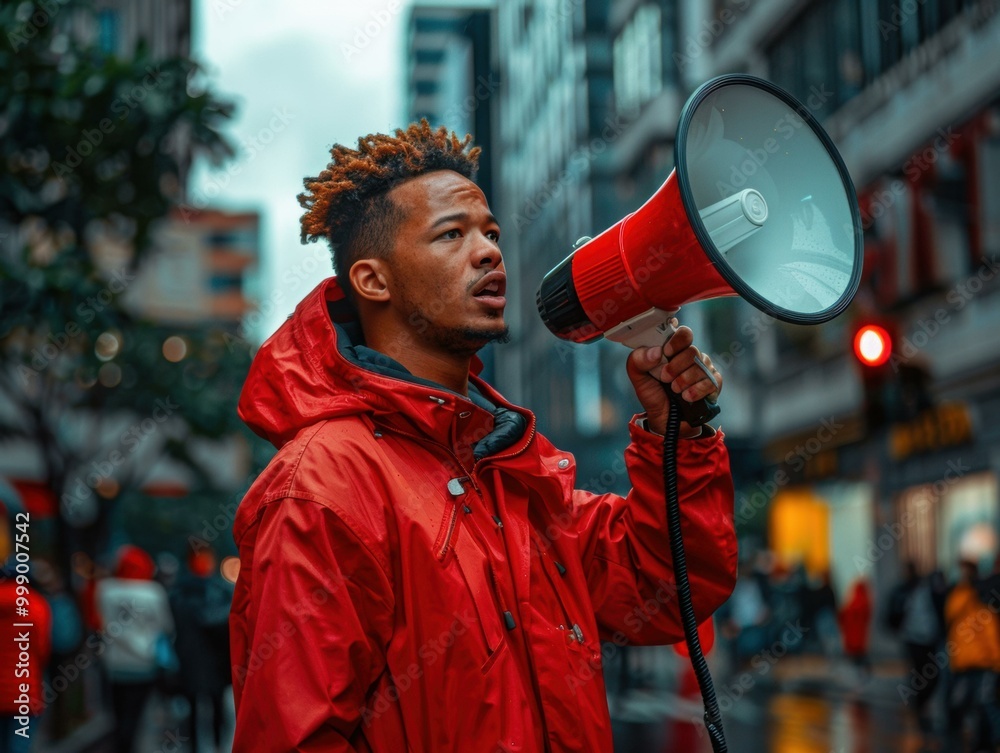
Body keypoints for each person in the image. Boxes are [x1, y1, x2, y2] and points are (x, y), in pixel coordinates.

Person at [229, 121, 738, 753]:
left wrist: (677, 435)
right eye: (452, 234)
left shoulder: (505, 472)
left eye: (491, 233)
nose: (491, 251)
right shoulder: (321, 488)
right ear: (373, 281)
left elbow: (663, 587)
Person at [94, 544, 175, 753]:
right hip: (143, 663)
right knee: (135, 714)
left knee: (117, 714)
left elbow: (98, 620)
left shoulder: (105, 589)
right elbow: (165, 626)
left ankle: (120, 745)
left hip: (114, 663)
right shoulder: (153, 593)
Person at [168, 545, 232, 753]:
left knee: (206, 705)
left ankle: (206, 745)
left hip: (199, 659)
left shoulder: (178, 592)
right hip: (209, 659)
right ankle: (213, 745)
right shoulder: (220, 591)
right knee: (207, 705)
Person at [943, 559, 1000, 752]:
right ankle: (978, 741)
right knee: (976, 703)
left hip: (978, 663)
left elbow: (989, 633)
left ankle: (980, 741)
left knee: (980, 704)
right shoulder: (967, 597)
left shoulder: (974, 599)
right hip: (969, 662)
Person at [888, 560, 945, 742]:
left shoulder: (925, 590)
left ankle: (919, 704)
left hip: (928, 639)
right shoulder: (904, 590)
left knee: (930, 674)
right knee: (920, 673)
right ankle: (919, 707)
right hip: (913, 640)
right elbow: (892, 612)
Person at [838, 579, 872, 679]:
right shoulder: (866, 601)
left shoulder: (855, 603)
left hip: (853, 636)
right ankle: (862, 676)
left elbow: (843, 615)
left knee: (856, 659)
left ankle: (859, 678)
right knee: (859, 657)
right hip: (859, 636)